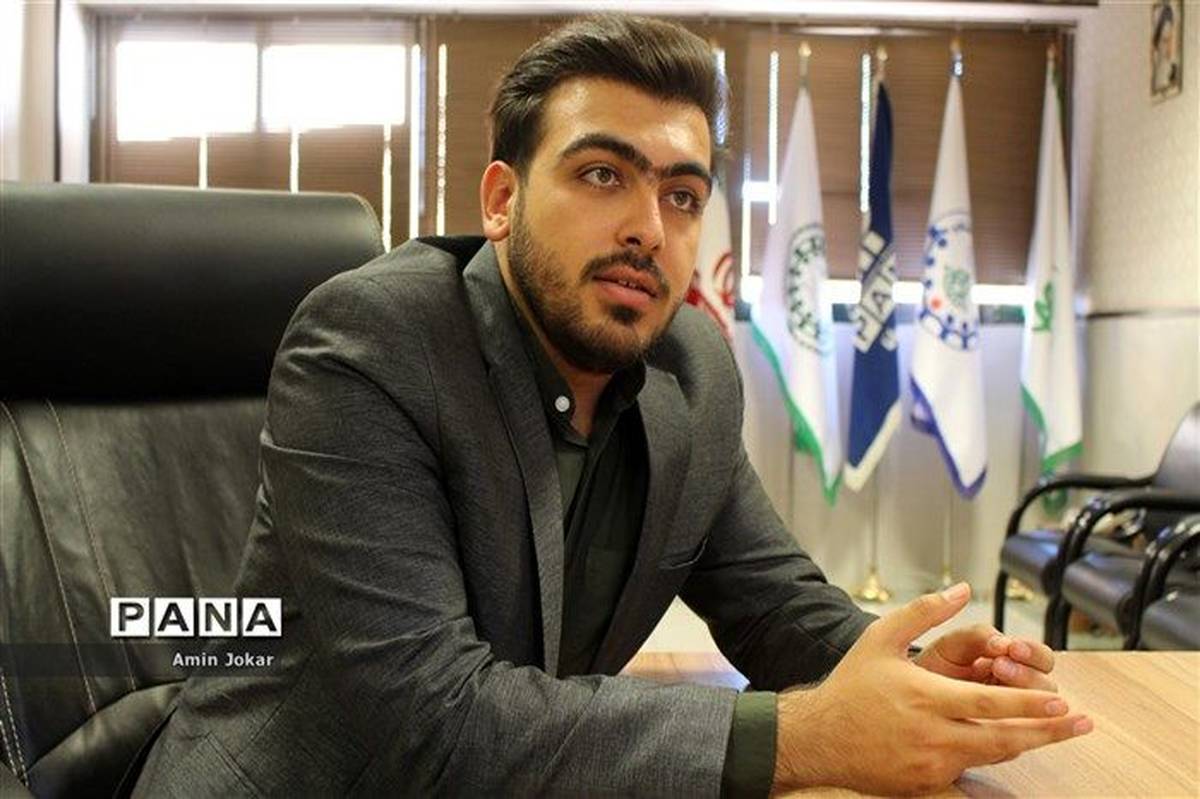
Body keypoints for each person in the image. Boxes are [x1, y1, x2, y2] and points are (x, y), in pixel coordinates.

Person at [134, 15, 1091, 798]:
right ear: (501, 198)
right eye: (603, 175)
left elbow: (773, 604)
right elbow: (434, 720)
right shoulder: (372, 344)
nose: (648, 228)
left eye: (683, 195)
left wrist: (911, 674)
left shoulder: (693, 369)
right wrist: (806, 735)